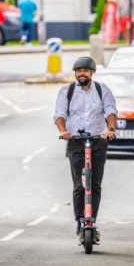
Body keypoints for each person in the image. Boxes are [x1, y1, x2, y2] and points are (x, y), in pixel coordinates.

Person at [54, 56, 117, 241]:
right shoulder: (67, 91)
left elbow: (111, 110)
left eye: (85, 70)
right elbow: (59, 114)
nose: (82, 73)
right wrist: (64, 131)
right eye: (79, 71)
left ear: (92, 72)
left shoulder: (101, 89)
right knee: (79, 185)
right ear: (75, 73)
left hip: (98, 140)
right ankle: (80, 221)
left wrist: (111, 130)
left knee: (95, 183)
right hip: (76, 141)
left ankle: (92, 220)